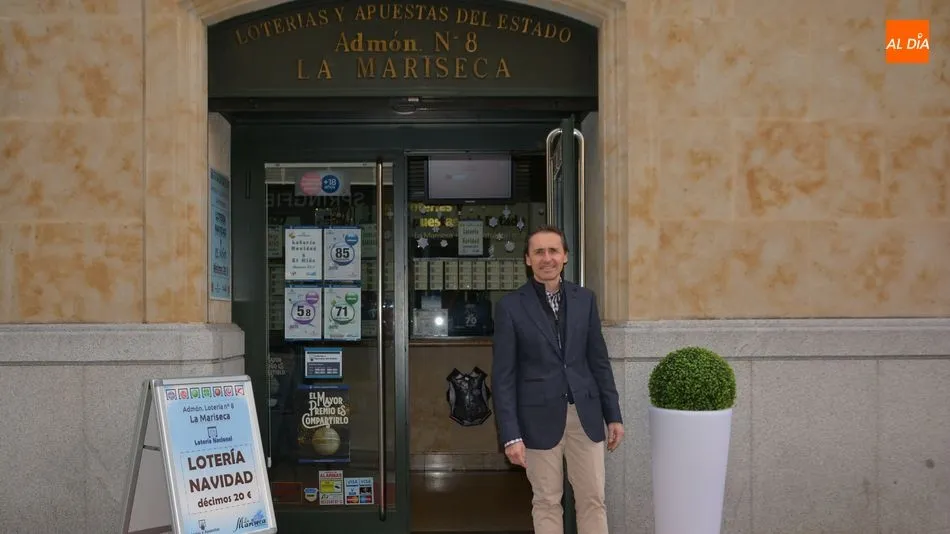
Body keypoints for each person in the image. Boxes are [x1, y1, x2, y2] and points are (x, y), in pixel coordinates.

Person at [491, 224, 624, 534]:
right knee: (547, 501)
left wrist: (613, 415)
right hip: (536, 420)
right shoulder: (510, 307)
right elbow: (503, 376)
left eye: (553, 251)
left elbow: (598, 361)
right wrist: (510, 434)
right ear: (527, 259)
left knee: (593, 499)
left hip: (586, 417)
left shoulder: (585, 300)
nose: (546, 258)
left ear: (565, 256)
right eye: (539, 252)